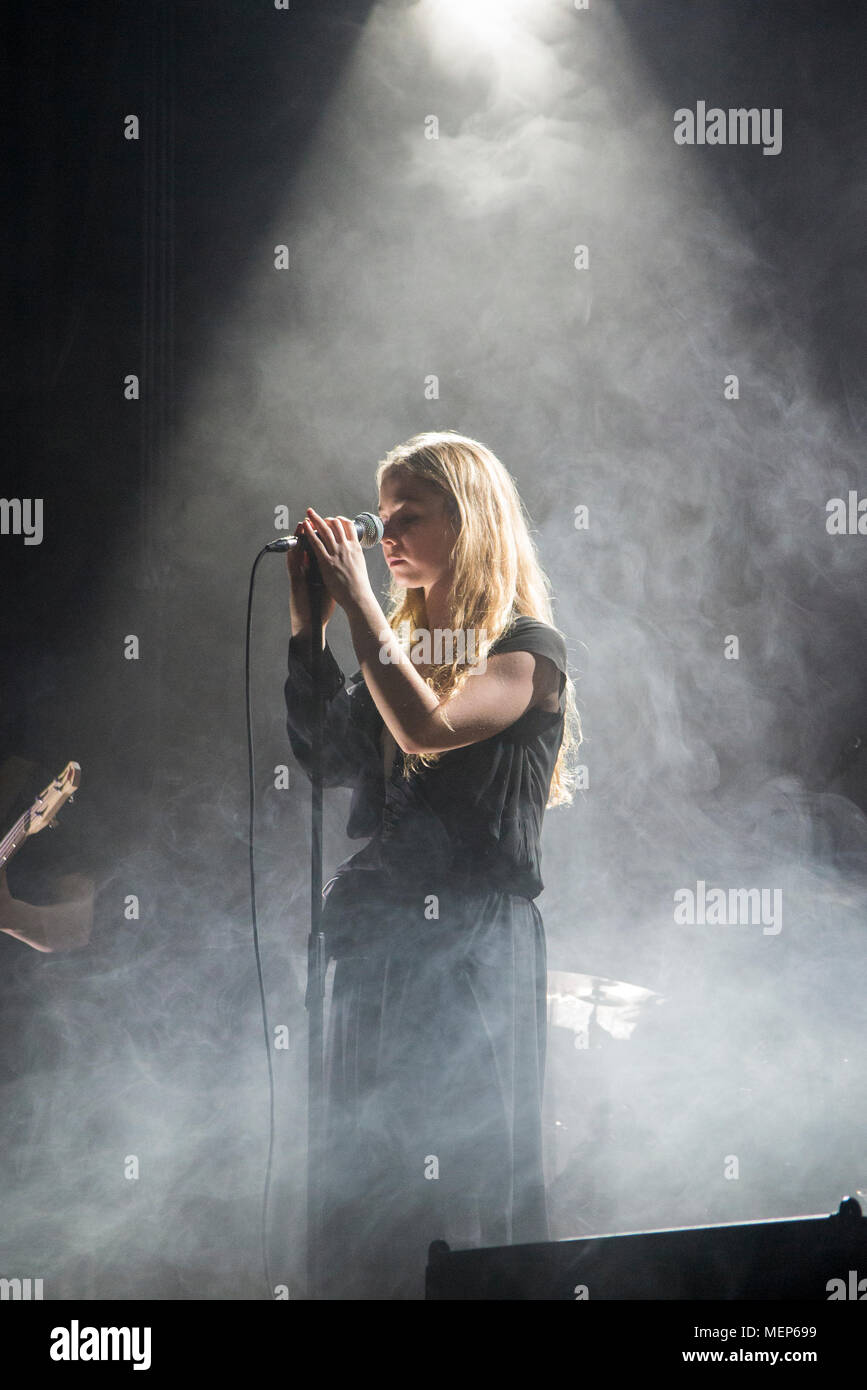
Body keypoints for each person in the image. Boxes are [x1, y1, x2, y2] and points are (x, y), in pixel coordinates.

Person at [284, 430, 582, 1299]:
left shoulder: (529, 649)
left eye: (405, 516)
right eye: (380, 519)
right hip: (379, 938)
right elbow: (327, 758)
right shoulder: (404, 650)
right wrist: (313, 624)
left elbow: (430, 731)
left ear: (468, 520)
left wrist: (364, 606)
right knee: (368, 1169)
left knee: (467, 1160)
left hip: (473, 943)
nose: (383, 535)